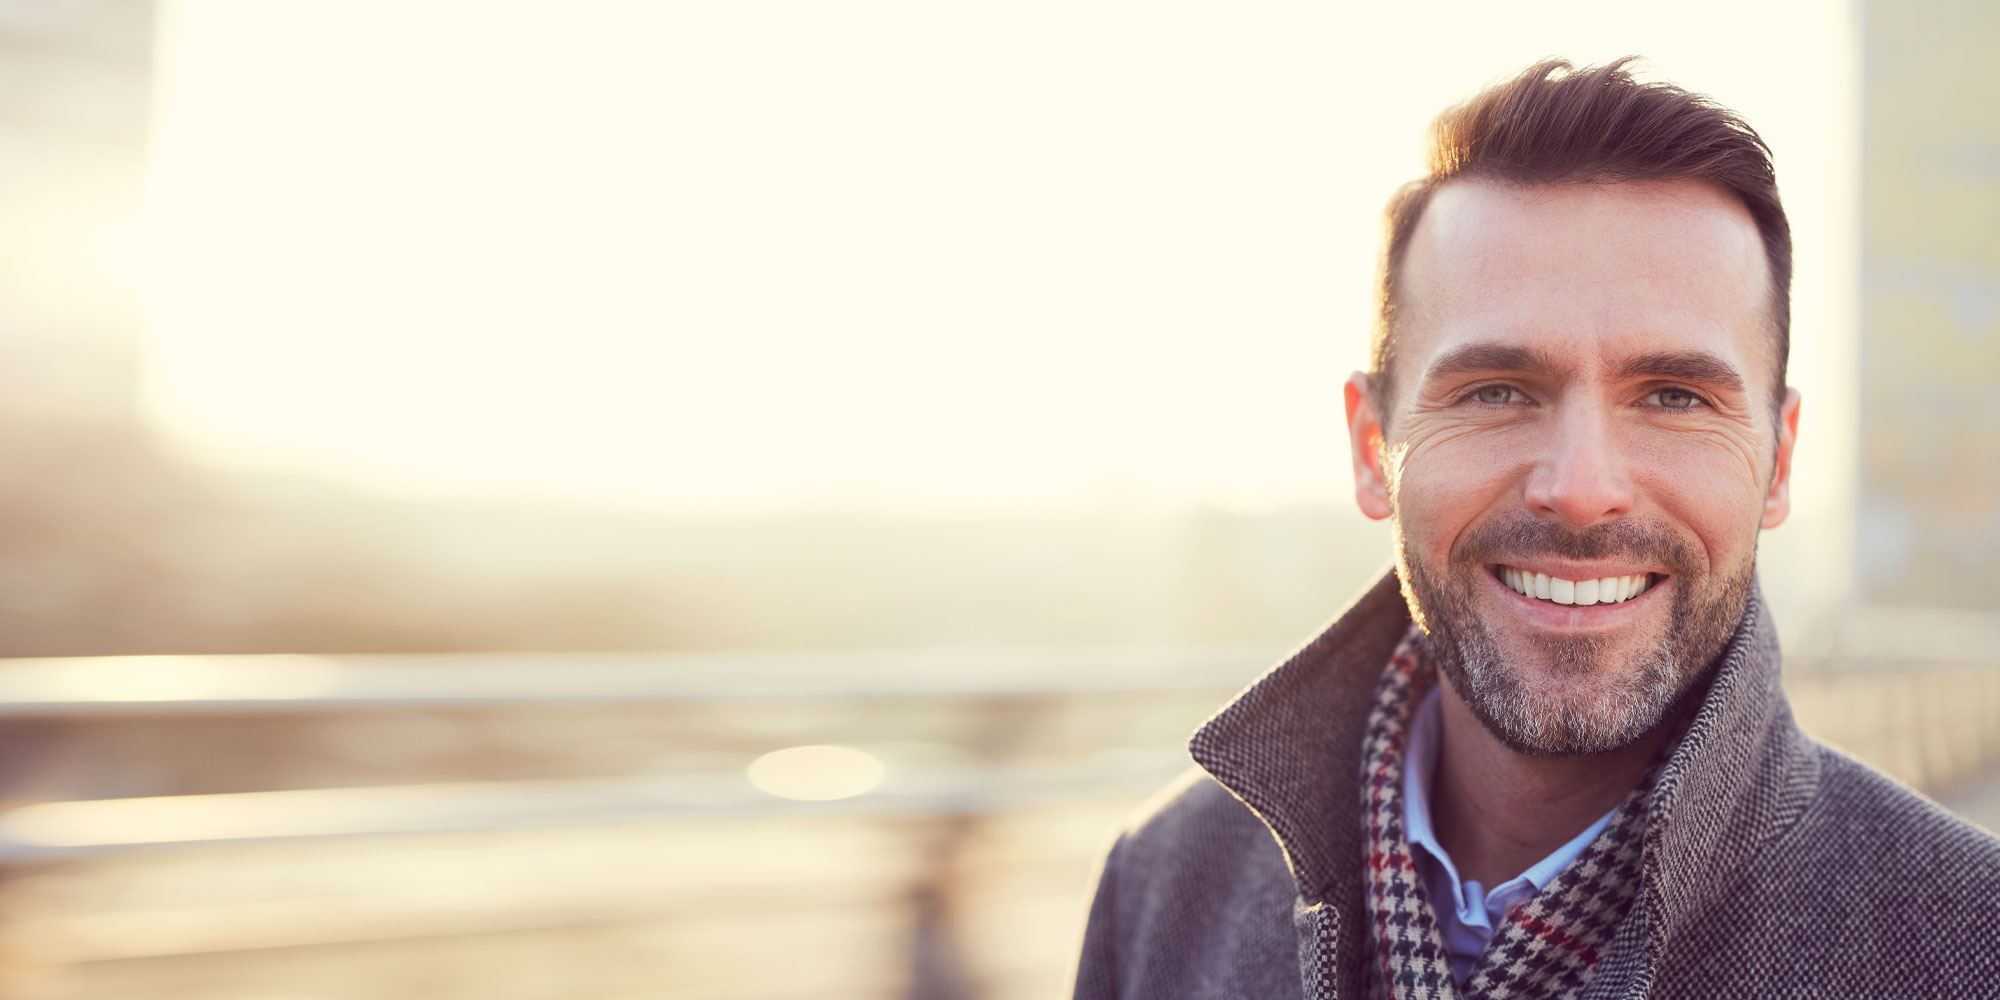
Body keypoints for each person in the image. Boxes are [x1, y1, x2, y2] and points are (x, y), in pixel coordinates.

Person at [1071, 58, 2000, 1000]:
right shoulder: (1162, 887)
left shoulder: (1971, 943)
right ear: (1370, 445)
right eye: (1497, 391)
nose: (1581, 488)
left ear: (1779, 461)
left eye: (1674, 396)